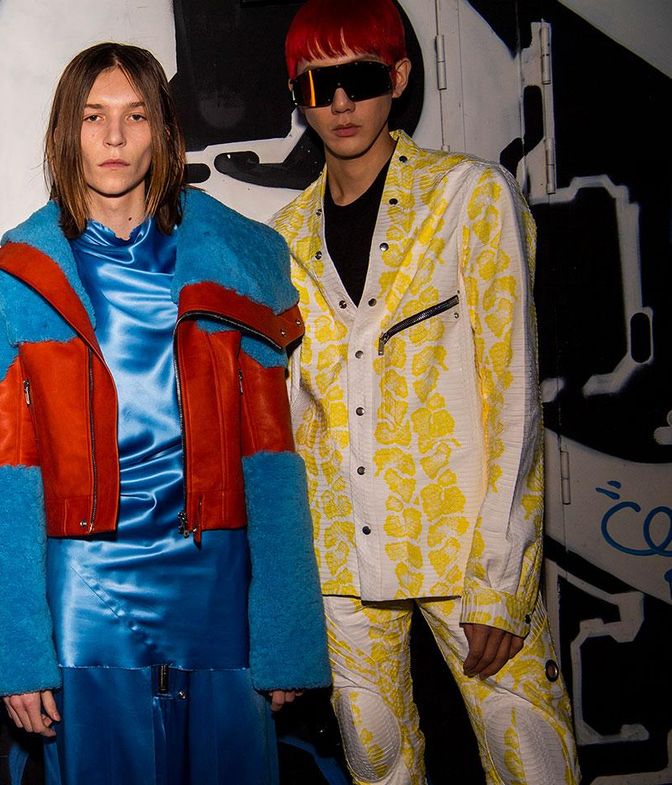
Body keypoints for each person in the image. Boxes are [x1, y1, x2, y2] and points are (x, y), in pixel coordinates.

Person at [0, 42, 329, 785]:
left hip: (217, 583)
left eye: (135, 116)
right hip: (86, 592)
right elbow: (6, 479)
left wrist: (287, 631)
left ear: (163, 133)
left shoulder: (240, 261)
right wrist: (19, 651)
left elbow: (270, 459)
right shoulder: (17, 277)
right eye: (94, 116)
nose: (112, 136)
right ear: (66, 131)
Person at [270, 1, 581, 783]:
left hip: (464, 542)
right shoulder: (281, 237)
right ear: (298, 94)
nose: (340, 103)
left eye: (362, 77)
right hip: (342, 549)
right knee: (377, 764)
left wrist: (503, 580)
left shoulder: (470, 198)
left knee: (532, 762)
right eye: (319, 84)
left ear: (399, 77)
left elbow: (513, 392)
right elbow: (292, 417)